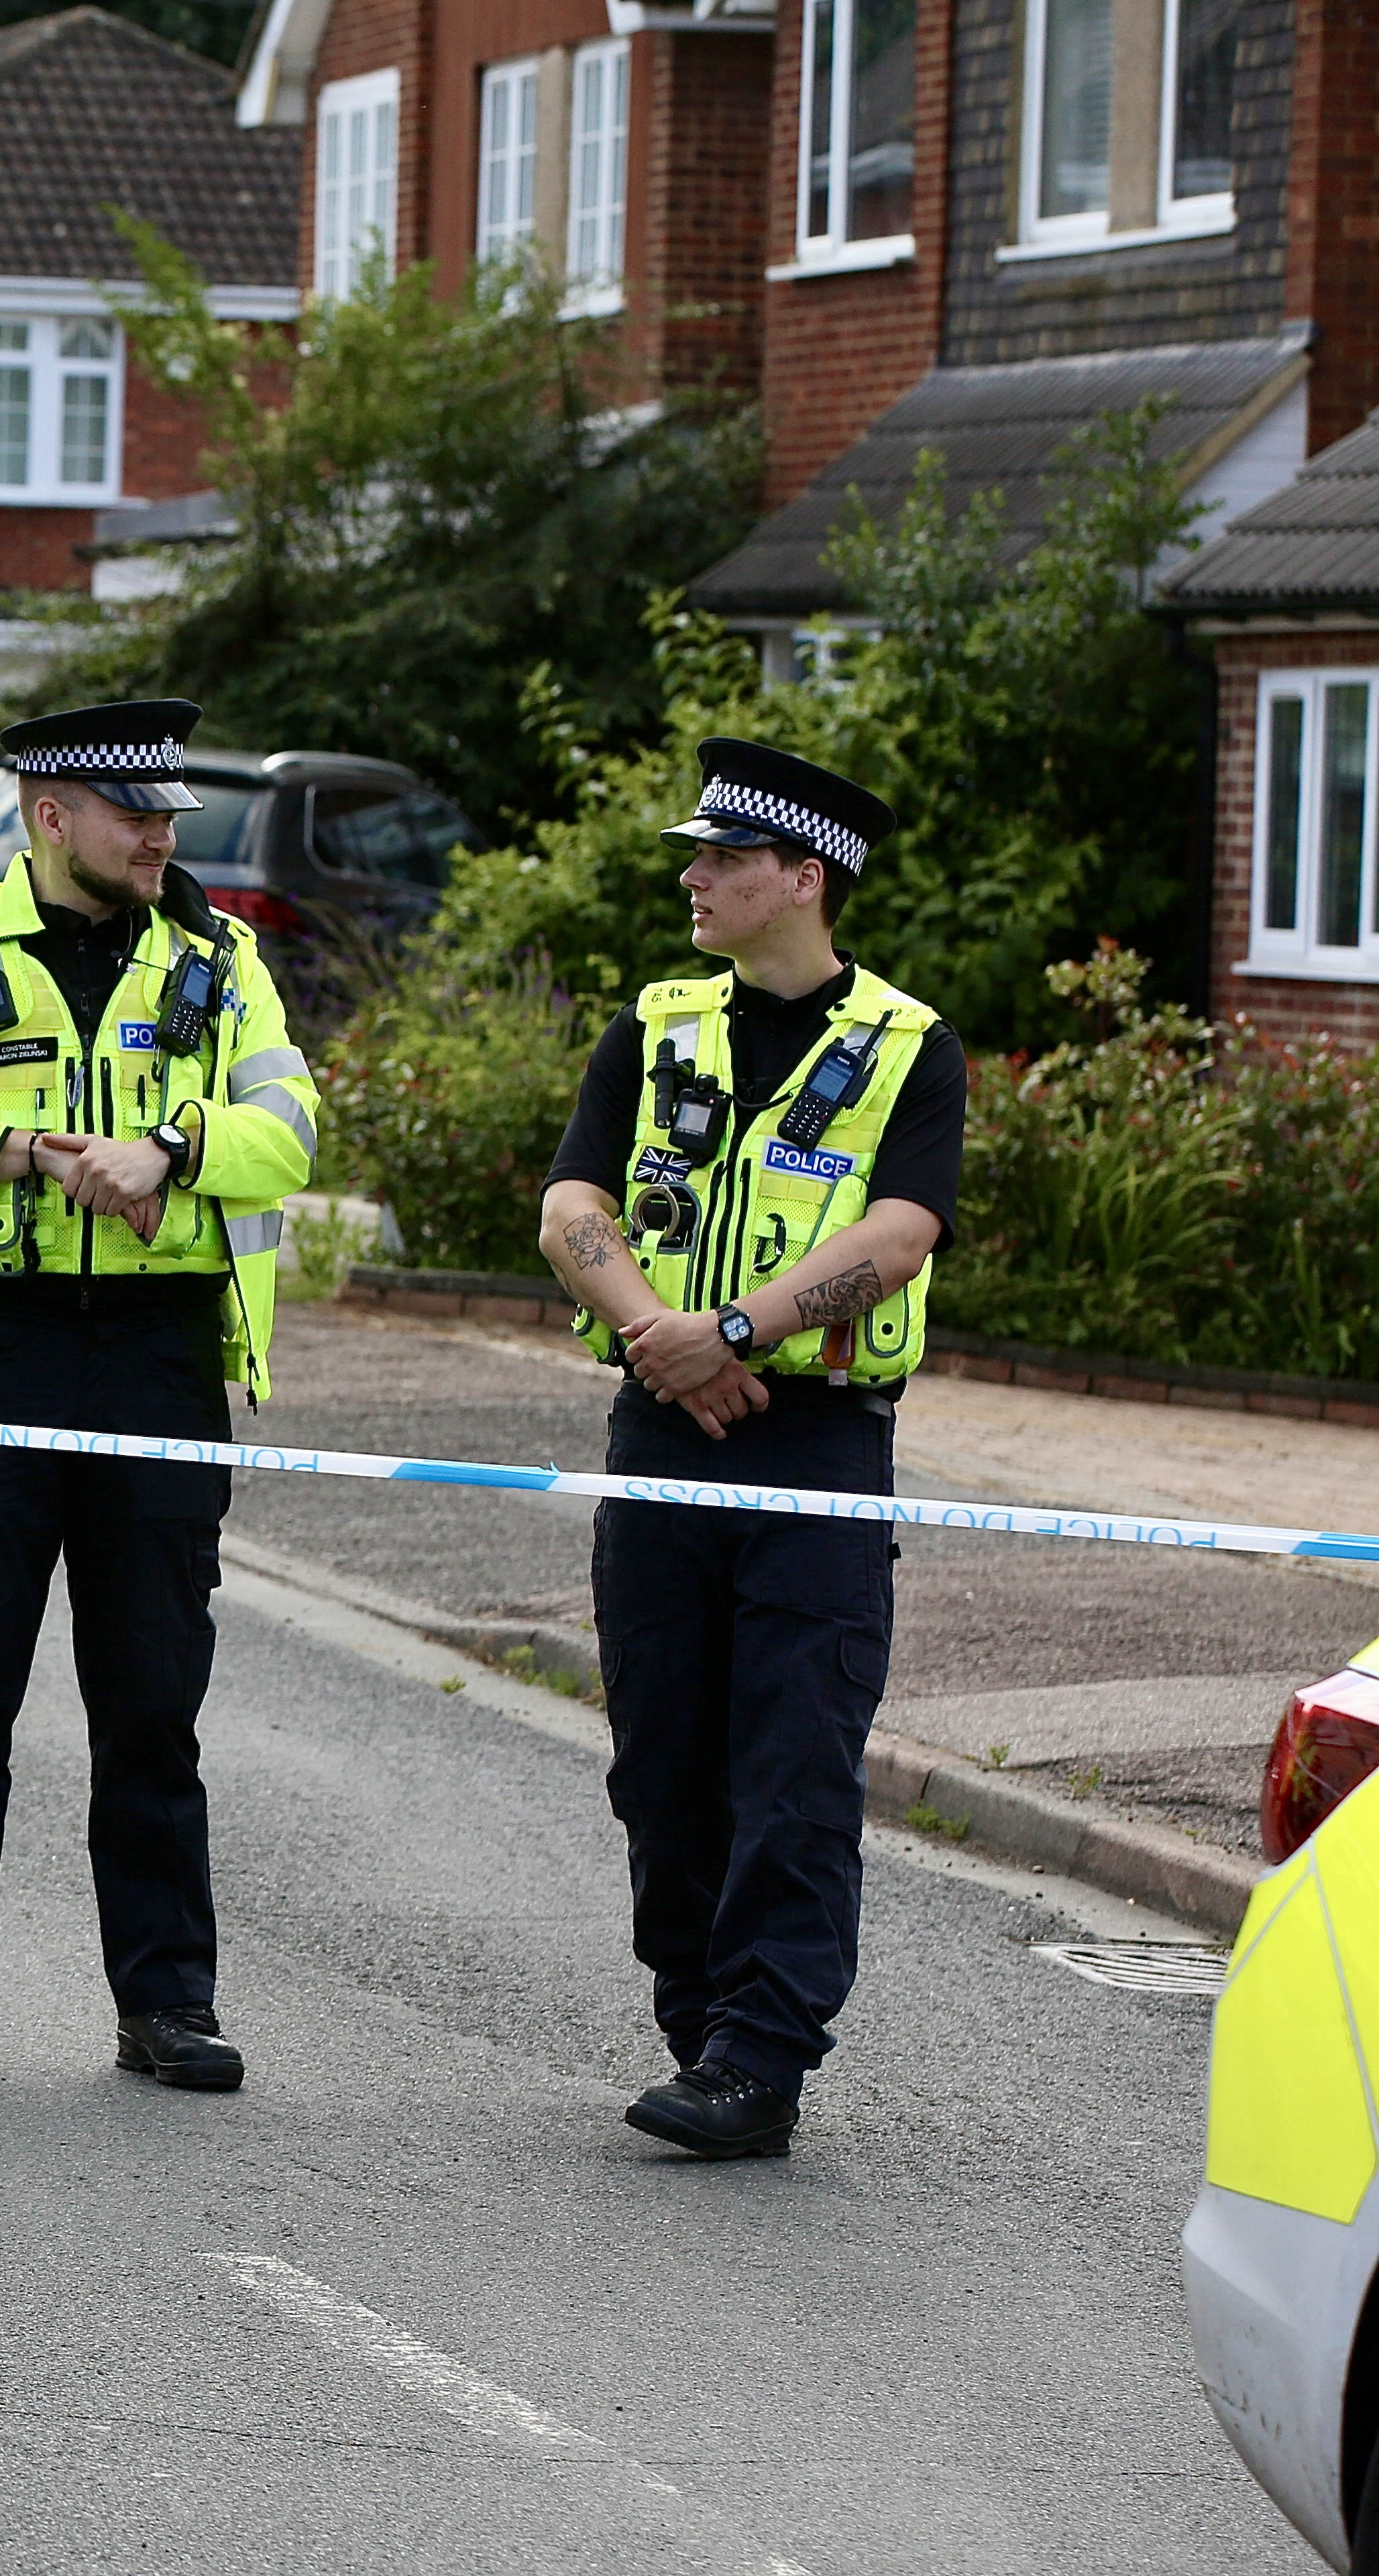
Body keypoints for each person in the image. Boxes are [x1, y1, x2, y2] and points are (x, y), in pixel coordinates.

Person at [0, 701, 320, 2089]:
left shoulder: (220, 961)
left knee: (152, 1698)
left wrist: (174, 1145)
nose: (165, 833)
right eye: (135, 814)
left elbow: (288, 1130)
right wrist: (32, 1153)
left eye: (168, 813)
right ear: (52, 818)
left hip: (161, 1352)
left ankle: (168, 2004)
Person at [535, 738, 965, 2160]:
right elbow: (570, 1209)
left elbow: (899, 1236)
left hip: (816, 1448)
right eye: (697, 855)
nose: (694, 877)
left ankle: (760, 2053)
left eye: (723, 858)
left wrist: (734, 1328)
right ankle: (699, 2019)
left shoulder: (908, 1048)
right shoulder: (654, 1030)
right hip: (660, 1431)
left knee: (794, 1760)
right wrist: (667, 1335)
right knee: (662, 1756)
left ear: (805, 876)